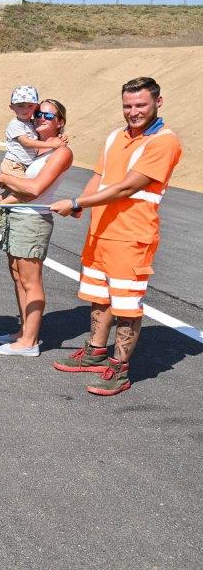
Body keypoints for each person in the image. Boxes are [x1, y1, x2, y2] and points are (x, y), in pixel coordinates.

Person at [49, 76, 182, 396]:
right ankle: (95, 352)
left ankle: (119, 370)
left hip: (131, 237)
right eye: (127, 105)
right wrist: (82, 204)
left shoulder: (164, 141)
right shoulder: (115, 137)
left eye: (140, 105)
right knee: (100, 297)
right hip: (100, 234)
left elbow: (127, 186)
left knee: (126, 306)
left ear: (157, 103)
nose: (133, 111)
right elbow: (101, 176)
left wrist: (77, 202)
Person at [0, 99, 73, 357]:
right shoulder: (38, 149)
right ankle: (24, 331)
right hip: (18, 216)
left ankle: (29, 342)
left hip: (33, 220)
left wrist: (5, 179)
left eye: (48, 115)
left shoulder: (62, 152)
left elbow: (36, 188)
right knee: (17, 275)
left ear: (60, 122)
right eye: (38, 113)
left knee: (31, 280)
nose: (40, 117)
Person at [0, 85, 66, 225]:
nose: (25, 110)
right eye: (20, 106)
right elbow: (27, 142)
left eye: (30, 107)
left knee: (14, 191)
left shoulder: (31, 124)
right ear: (12, 107)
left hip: (21, 165)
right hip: (14, 164)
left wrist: (60, 137)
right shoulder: (16, 124)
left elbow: (46, 135)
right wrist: (53, 144)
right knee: (25, 192)